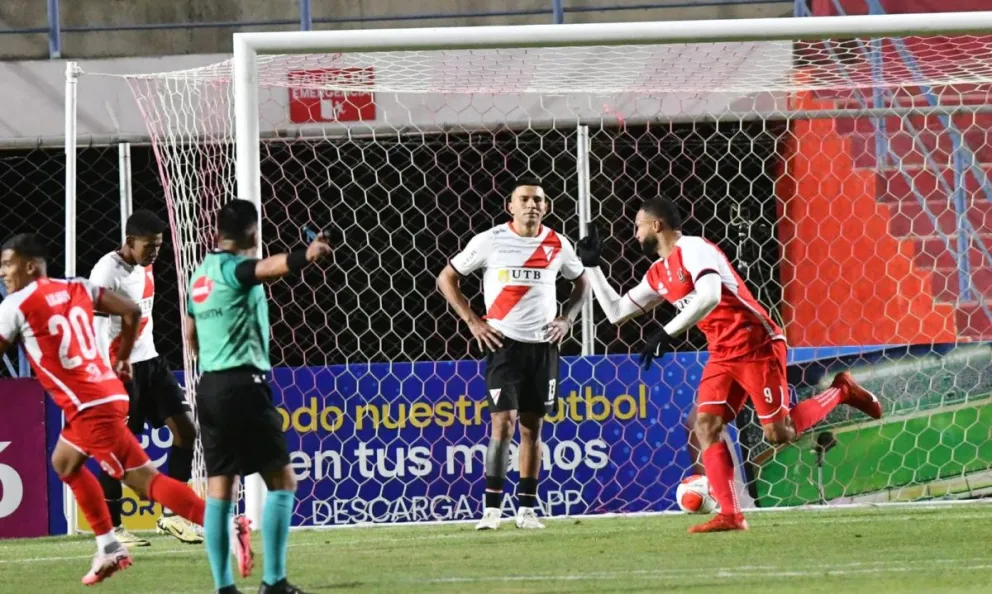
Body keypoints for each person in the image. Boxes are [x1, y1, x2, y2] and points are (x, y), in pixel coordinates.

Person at [575, 198, 883, 533]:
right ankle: (730, 514)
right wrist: (591, 266)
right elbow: (616, 312)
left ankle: (841, 391)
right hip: (722, 352)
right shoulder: (657, 274)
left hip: (756, 343)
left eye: (637, 226)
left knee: (779, 435)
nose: (634, 235)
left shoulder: (693, 249)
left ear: (656, 225)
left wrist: (665, 332)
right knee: (705, 426)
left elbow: (710, 296)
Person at [0, 233, 218, 585]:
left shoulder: (15, 305)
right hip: (110, 391)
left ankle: (223, 525)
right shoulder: (78, 288)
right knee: (64, 462)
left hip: (90, 408)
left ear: (29, 266)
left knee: (147, 483)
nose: (2, 272)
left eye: (7, 264)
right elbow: (131, 311)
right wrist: (122, 360)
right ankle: (108, 545)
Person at [186, 199, 331, 594]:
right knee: (282, 481)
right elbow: (266, 268)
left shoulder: (199, 276)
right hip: (243, 386)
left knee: (220, 489)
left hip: (209, 385)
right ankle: (274, 582)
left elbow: (190, 336)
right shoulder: (235, 269)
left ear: (217, 232)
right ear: (252, 233)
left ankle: (224, 587)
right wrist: (309, 254)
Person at [437, 177, 589, 530]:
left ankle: (527, 510)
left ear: (546, 207)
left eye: (538, 200)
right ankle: (491, 510)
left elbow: (582, 282)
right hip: (502, 345)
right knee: (501, 424)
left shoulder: (558, 244)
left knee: (531, 429)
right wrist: (474, 322)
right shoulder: (490, 241)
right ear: (511, 207)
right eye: (524, 199)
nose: (531, 205)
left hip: (543, 347)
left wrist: (567, 318)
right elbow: (446, 278)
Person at [90, 210, 201, 545]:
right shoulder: (107, 271)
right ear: (129, 242)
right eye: (149, 246)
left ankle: (173, 517)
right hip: (118, 369)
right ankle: (114, 528)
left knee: (185, 430)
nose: (155, 252)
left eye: (158, 246)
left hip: (151, 362)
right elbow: (93, 324)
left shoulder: (145, 265)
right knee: (115, 451)